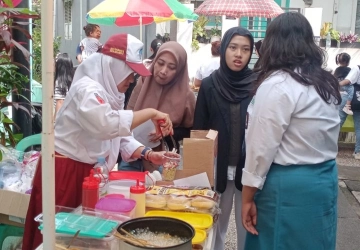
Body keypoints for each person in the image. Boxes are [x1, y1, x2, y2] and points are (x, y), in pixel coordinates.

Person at [22, 33, 177, 250]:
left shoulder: (111, 91)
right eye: (130, 74)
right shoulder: (86, 89)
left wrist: (148, 154)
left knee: (79, 239)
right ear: (114, 66)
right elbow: (107, 125)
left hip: (87, 173)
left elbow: (119, 135)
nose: (131, 80)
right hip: (65, 171)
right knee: (59, 237)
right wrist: (151, 112)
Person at [241, 12, 341, 250]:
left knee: (279, 242)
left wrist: (247, 198)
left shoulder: (279, 84)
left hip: (288, 185)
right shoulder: (324, 82)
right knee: (316, 241)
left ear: (272, 44)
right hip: (324, 179)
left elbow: (260, 149)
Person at [193, 27, 258, 250]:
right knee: (214, 225)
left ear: (251, 54)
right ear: (224, 49)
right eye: (233, 47)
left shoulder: (258, 84)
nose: (238, 54)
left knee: (247, 225)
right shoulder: (210, 84)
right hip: (216, 168)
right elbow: (200, 129)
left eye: (245, 49)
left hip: (248, 169)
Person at [125, 42, 196, 171]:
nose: (163, 71)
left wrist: (168, 131)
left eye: (171, 67)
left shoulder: (186, 95)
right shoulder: (142, 82)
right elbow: (125, 117)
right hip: (132, 155)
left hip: (164, 161)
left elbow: (191, 130)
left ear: (179, 70)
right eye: (160, 63)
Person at [54, 53, 74, 118]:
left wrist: (55, 121)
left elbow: (60, 102)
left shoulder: (59, 82)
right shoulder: (73, 81)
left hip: (61, 119)